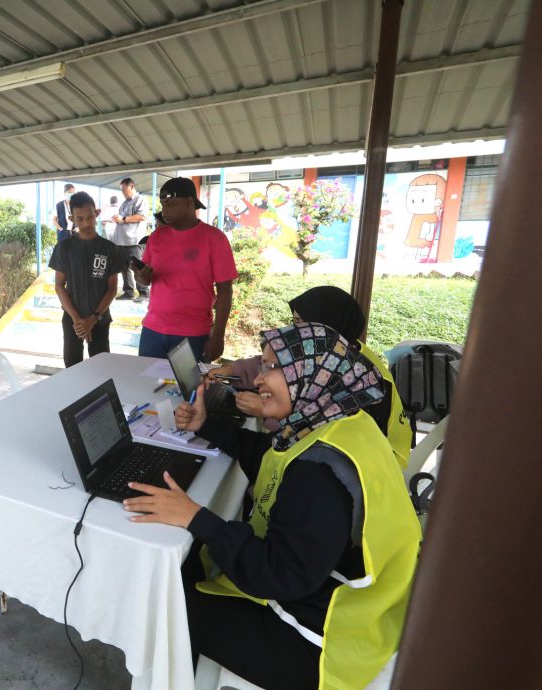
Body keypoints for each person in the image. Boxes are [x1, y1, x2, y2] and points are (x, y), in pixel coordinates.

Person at [125, 323, 421, 690]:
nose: (259, 380)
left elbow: (279, 576)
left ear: (309, 371)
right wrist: (208, 426)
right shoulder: (335, 421)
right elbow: (271, 457)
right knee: (188, 562)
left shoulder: (319, 476)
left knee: (162, 602)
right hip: (356, 609)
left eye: (271, 367)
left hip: (320, 642)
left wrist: (196, 517)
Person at [207, 285, 413, 468]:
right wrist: (231, 371)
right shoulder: (341, 352)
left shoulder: (363, 384)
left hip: (373, 465)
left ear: (324, 327)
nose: (294, 331)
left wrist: (267, 411)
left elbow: (314, 431)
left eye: (300, 322)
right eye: (293, 321)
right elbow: (283, 365)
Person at [133, 178, 236, 361]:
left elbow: (225, 291)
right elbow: (146, 279)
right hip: (153, 330)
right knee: (148, 387)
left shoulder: (214, 238)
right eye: (163, 205)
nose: (165, 211)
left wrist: (218, 335)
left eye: (171, 204)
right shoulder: (156, 237)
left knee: (191, 389)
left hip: (193, 334)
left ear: (190, 202)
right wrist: (141, 278)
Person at [48, 191, 125, 367]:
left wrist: (93, 318)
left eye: (90, 217)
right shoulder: (64, 248)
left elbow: (112, 289)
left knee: (101, 369)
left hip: (100, 319)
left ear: (96, 213)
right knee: (72, 367)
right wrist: (78, 321)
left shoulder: (110, 249)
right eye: (80, 218)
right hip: (72, 320)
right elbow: (59, 286)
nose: (86, 223)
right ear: (72, 218)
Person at [110, 177, 149, 302]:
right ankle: (128, 291)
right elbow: (121, 218)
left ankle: (143, 292)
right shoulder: (124, 203)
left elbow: (142, 217)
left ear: (131, 186)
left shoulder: (140, 200)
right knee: (123, 267)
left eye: (124, 189)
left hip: (133, 240)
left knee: (137, 266)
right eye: (121, 190)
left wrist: (124, 219)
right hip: (121, 241)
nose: (123, 192)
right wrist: (117, 219)